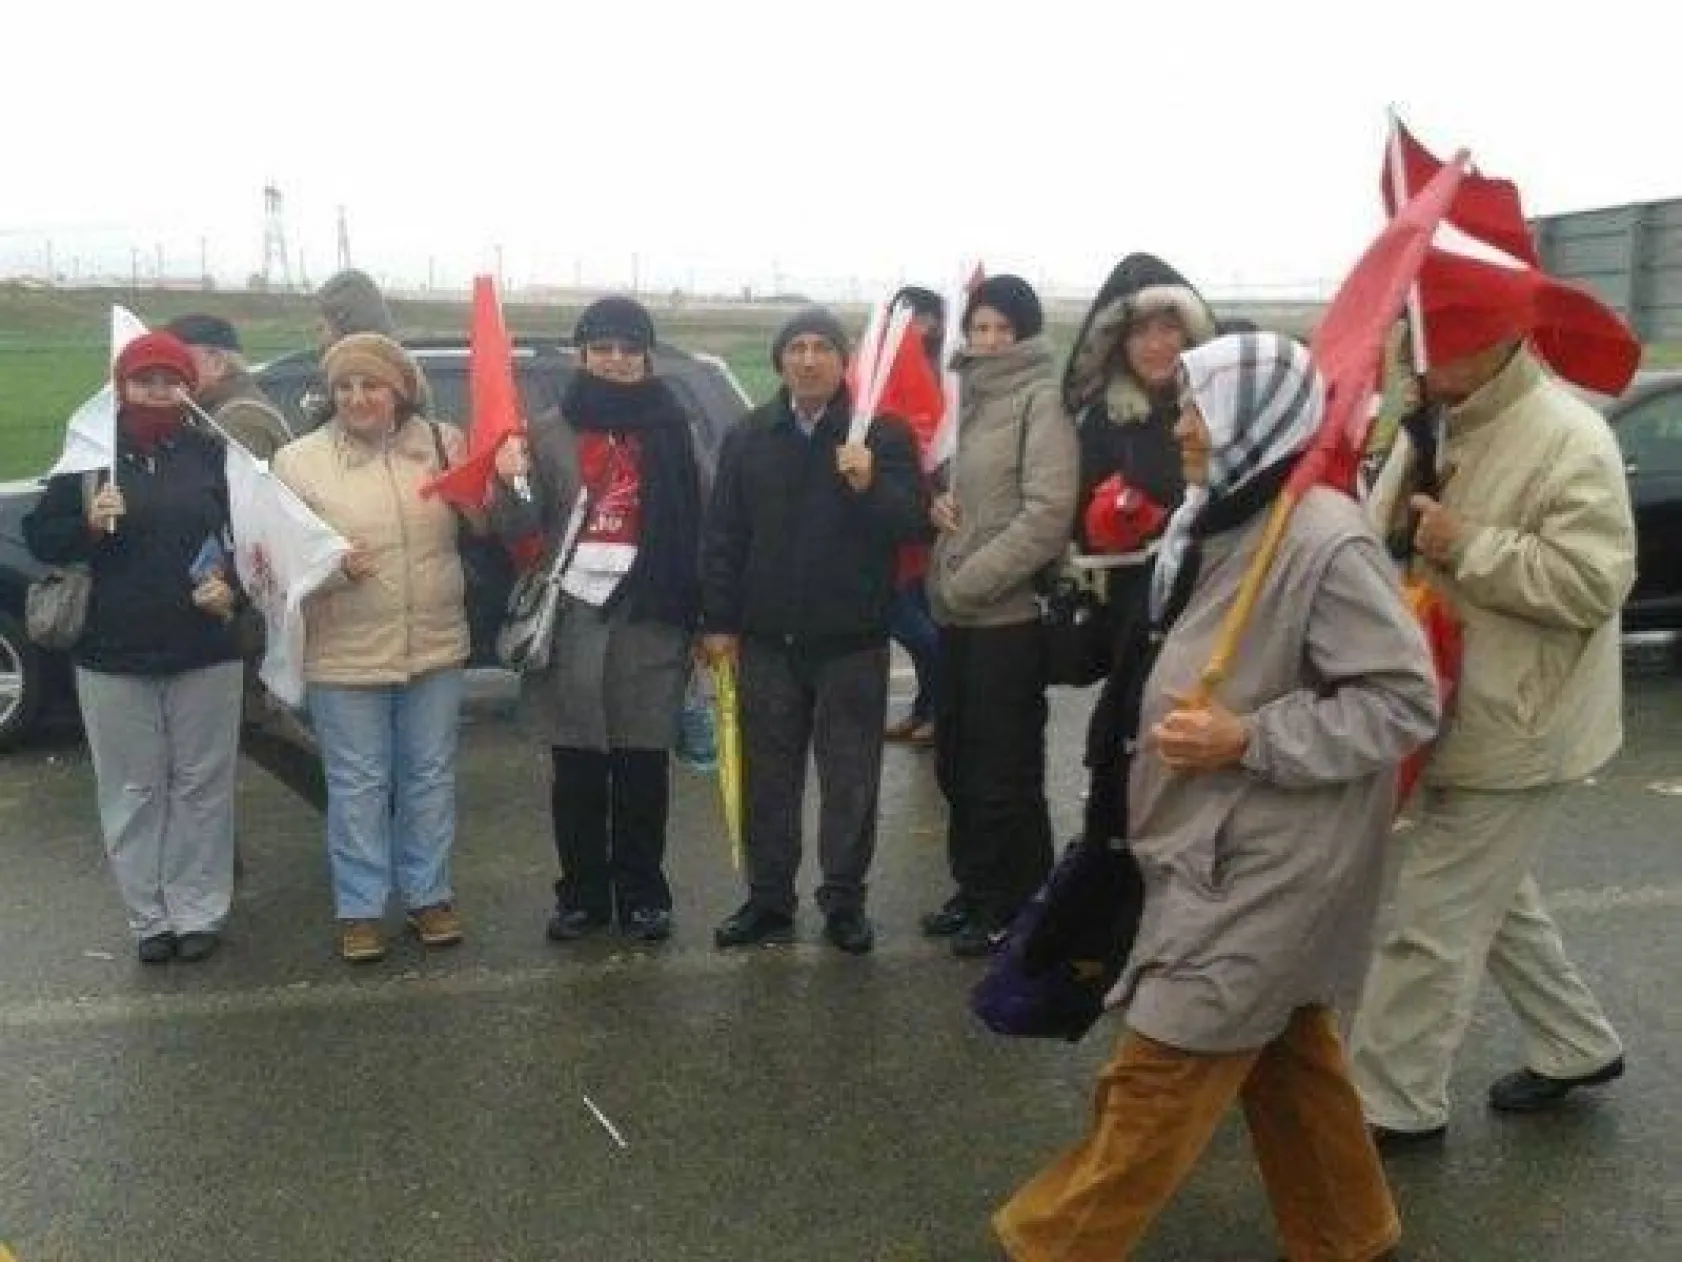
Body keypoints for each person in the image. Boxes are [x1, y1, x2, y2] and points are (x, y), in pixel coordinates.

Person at [994, 332, 1439, 1261]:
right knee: (1288, 1054)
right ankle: (1352, 1235)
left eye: (1200, 409)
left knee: (1158, 1075)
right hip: (1204, 845)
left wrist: (1252, 737)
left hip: (1267, 865)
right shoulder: (1223, 516)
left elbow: (1403, 700)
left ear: (1254, 422)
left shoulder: (1322, 539)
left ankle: (1047, 1248)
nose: (1184, 427)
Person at [1351, 316, 1635, 1147]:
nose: (1428, 353)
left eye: (1445, 334)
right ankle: (1578, 1043)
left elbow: (1592, 582)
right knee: (1497, 899)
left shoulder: (1568, 434)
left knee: (1431, 920)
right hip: (1444, 706)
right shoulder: (1433, 418)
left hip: (1517, 719)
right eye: (1416, 334)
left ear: (1504, 335)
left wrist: (1466, 543)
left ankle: (1389, 1104)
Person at [700, 307, 925, 955]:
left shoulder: (878, 434)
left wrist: (869, 482)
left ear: (842, 358)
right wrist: (719, 621)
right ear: (779, 361)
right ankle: (768, 899)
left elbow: (911, 522)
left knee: (850, 781)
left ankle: (844, 900)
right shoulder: (750, 435)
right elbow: (723, 536)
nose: (806, 359)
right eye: (794, 347)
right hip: (768, 641)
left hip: (851, 643)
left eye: (821, 347)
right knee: (768, 777)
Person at [23, 332, 246, 964]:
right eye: (143, 380)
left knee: (202, 786)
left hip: (205, 646)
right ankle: (149, 919)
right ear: (120, 386)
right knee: (132, 790)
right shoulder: (90, 455)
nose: (157, 391)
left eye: (169, 380)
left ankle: (199, 910)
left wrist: (228, 584)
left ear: (188, 388)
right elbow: (44, 537)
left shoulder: (211, 453)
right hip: (112, 653)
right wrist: (88, 525)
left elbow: (247, 539)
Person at [490, 297, 704, 944]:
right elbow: (517, 531)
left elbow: (703, 522)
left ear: (646, 356)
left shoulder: (676, 429)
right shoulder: (546, 431)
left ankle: (644, 895)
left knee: (642, 768)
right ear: (582, 354)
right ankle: (582, 896)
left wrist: (706, 615)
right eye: (603, 347)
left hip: (652, 619)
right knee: (578, 771)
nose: (616, 360)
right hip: (572, 621)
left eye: (629, 348)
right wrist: (512, 482)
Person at [272, 333, 473, 963]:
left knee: (429, 776)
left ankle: (428, 896)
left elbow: (487, 523)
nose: (357, 398)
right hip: (344, 647)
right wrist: (331, 568)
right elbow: (277, 559)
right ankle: (359, 908)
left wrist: (502, 479)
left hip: (434, 642)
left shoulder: (443, 444)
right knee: (357, 783)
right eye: (344, 387)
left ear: (400, 390)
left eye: (371, 385)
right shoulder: (297, 461)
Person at [923, 275, 1077, 957]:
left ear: (1025, 334)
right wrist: (937, 511)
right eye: (978, 328)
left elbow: (1046, 516)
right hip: (956, 619)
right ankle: (975, 886)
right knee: (956, 764)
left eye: (1001, 329)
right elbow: (965, 495)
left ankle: (1018, 905)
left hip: (1006, 621)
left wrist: (971, 583)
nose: (987, 340)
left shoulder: (1039, 402)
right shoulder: (967, 401)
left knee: (1003, 774)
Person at [1062, 254, 1217, 848]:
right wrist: (1111, 519)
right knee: (1129, 735)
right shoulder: (1104, 419)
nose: (1156, 345)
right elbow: (1082, 515)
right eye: (1140, 332)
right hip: (1135, 606)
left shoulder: (1222, 405)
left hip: (1211, 599)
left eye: (1169, 328)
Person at [164, 313, 327, 815]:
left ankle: (363, 811)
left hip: (241, 597)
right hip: (234, 594)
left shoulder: (238, 419)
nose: (170, 372)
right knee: (238, 724)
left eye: (180, 358)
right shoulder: (219, 411)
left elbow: (235, 516)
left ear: (213, 359)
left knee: (251, 719)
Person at [881, 285, 947, 746]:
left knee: (916, 627)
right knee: (913, 619)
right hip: (895, 514)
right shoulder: (881, 369)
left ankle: (945, 706)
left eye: (919, 320)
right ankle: (928, 705)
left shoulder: (944, 373)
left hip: (929, 514)